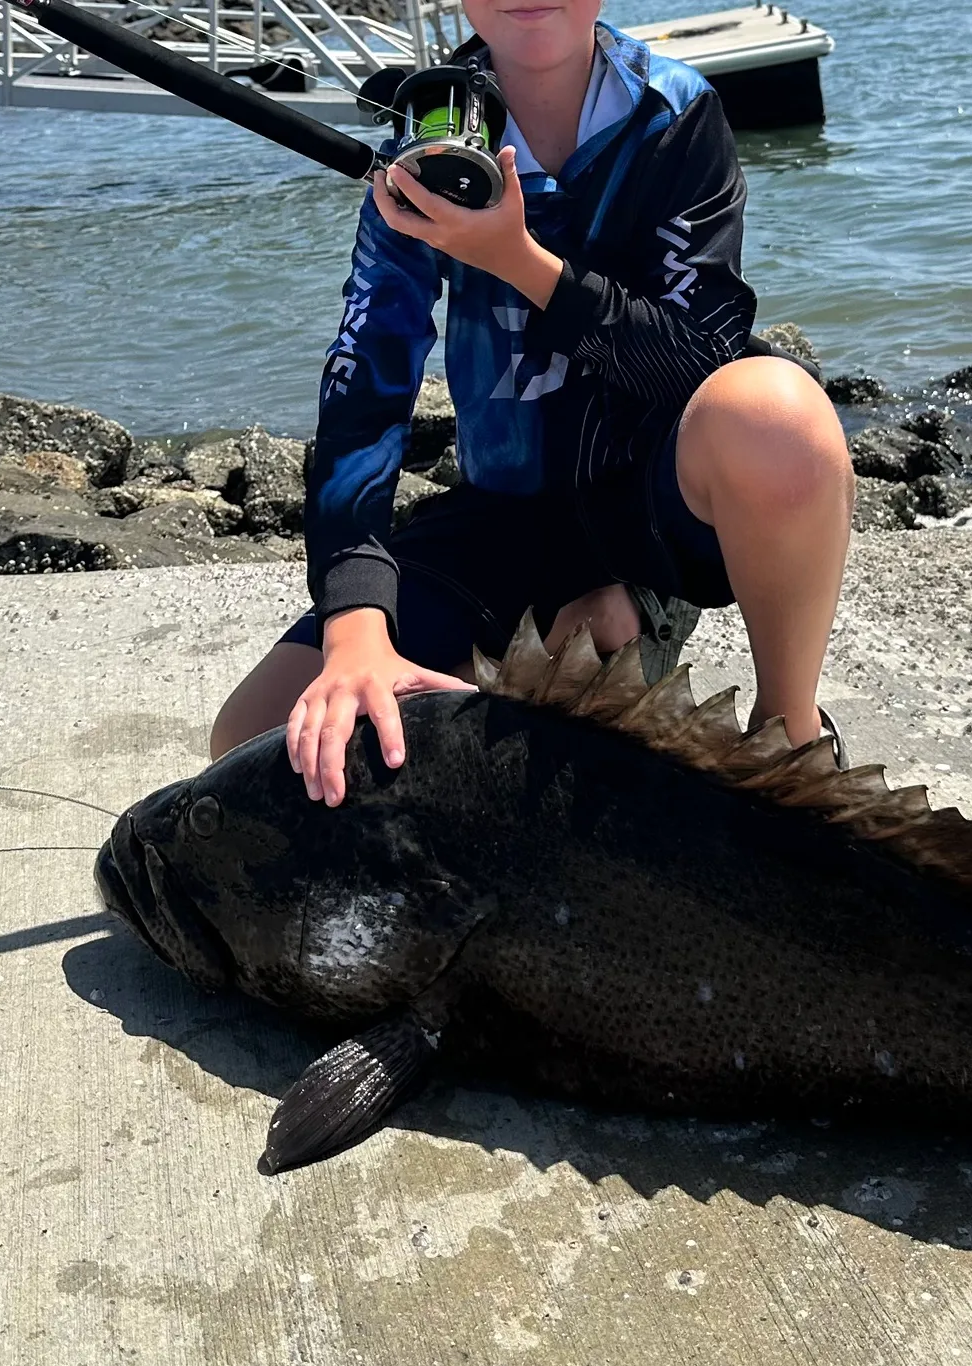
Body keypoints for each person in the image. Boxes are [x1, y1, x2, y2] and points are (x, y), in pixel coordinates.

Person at [210, 0, 854, 807]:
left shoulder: (676, 116)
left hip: (641, 513)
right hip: (500, 511)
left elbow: (699, 357)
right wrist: (355, 627)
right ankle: (551, 657)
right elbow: (364, 392)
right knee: (257, 749)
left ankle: (791, 738)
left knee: (776, 412)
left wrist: (518, 261)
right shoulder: (426, 142)